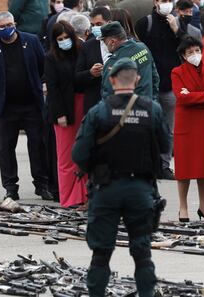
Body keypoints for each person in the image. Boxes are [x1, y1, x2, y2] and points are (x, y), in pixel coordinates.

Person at [72, 57, 171, 297]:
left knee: (101, 253)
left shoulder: (99, 111)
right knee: (142, 252)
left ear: (112, 79)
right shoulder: (152, 110)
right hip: (141, 188)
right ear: (137, 79)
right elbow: (165, 145)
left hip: (106, 189)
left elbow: (79, 154)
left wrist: (93, 168)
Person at [0, 11, 53, 201]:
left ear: (15, 23)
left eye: (9, 25)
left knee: (37, 145)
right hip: (6, 107)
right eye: (2, 27)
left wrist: (40, 84)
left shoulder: (31, 41)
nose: (6, 29)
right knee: (6, 148)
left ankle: (41, 184)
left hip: (32, 105)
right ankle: (11, 187)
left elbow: (43, 65)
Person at [171, 36, 204, 222]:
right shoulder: (177, 72)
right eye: (190, 52)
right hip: (187, 126)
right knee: (184, 169)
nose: (195, 55)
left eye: (197, 50)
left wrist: (194, 96)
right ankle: (183, 207)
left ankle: (203, 206)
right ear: (183, 56)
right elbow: (181, 98)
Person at [135, 0, 186, 180]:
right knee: (148, 126)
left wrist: (176, 30)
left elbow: (189, 47)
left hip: (170, 85)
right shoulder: (145, 23)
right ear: (156, 2)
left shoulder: (177, 22)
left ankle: (164, 165)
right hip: (149, 86)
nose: (167, 4)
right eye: (163, 0)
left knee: (168, 128)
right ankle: (149, 164)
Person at [44, 20, 88, 208]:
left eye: (66, 37)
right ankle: (69, 198)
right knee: (65, 156)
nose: (64, 41)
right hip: (63, 109)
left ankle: (85, 196)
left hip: (82, 104)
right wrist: (60, 114)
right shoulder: (51, 58)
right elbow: (52, 88)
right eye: (60, 39)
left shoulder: (82, 51)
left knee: (84, 152)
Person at [99, 22, 160, 103]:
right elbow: (155, 78)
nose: (104, 44)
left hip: (125, 112)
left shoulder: (113, 62)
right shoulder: (142, 47)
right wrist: (153, 101)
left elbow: (108, 93)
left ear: (112, 42)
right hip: (147, 106)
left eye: (104, 41)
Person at [76, 6, 111, 114]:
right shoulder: (87, 46)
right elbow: (77, 75)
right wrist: (90, 73)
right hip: (94, 104)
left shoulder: (120, 44)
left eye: (99, 24)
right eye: (93, 25)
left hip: (116, 103)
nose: (95, 28)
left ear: (109, 23)